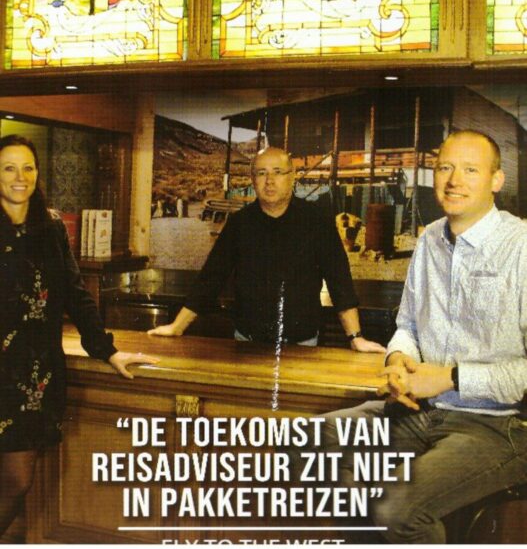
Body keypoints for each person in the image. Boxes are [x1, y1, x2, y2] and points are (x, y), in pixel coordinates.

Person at [314, 130, 527, 543]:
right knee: (307, 441)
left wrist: (450, 378)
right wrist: (398, 361)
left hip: (497, 427)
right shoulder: (430, 239)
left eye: (470, 170)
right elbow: (408, 326)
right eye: (445, 167)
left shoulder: (521, 247)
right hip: (419, 412)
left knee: (396, 509)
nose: (454, 180)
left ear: (496, 180)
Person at [0, 135, 157, 537]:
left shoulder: (50, 229)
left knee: (17, 479)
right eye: (9, 168)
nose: (20, 177)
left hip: (34, 374)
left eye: (28, 167)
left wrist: (108, 351)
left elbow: (74, 293)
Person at [149, 147, 384, 351]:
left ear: (292, 177)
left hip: (303, 345)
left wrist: (356, 337)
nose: (269, 180)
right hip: (246, 343)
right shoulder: (239, 223)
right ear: (253, 180)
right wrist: (177, 327)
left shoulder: (317, 221)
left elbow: (340, 282)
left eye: (277, 172)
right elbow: (211, 278)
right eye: (261, 173)